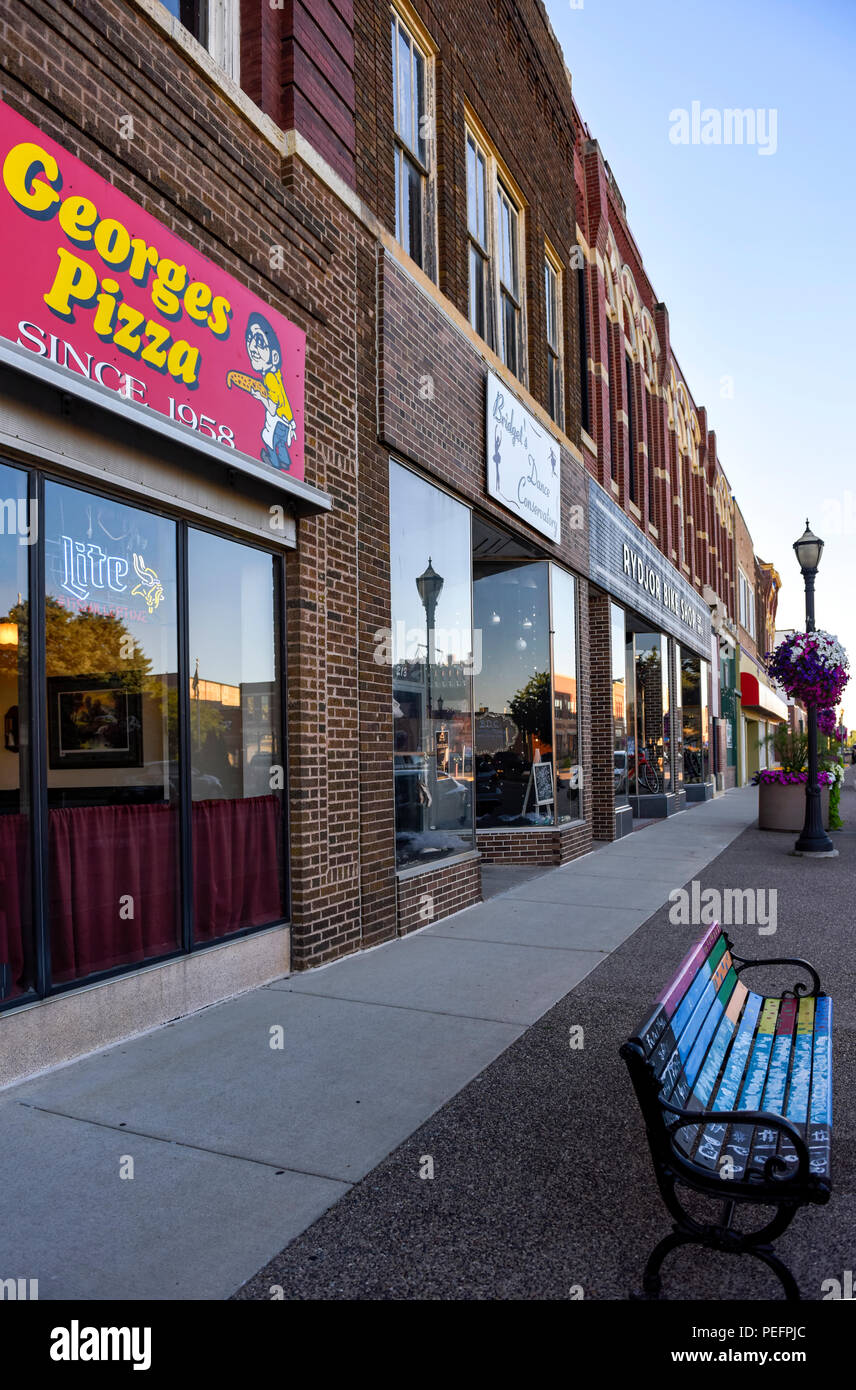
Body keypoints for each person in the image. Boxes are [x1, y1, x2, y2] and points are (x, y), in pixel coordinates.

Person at [244, 313, 297, 471]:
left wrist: (260, 396)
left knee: (267, 439)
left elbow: (273, 407)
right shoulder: (278, 376)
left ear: (274, 357)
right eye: (249, 338)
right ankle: (285, 462)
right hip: (286, 423)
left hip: (277, 421)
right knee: (280, 443)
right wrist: (292, 425)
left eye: (259, 342)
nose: (252, 347)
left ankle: (272, 460)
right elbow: (285, 402)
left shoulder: (269, 379)